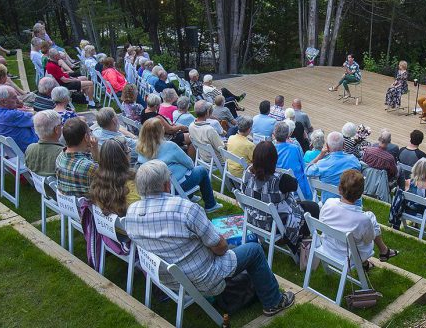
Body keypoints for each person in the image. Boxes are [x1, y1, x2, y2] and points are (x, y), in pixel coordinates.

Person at [125, 160, 295, 317]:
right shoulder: (185, 209)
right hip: (203, 278)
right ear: (167, 184)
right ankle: (274, 302)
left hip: (166, 277)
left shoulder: (131, 212)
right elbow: (220, 248)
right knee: (254, 249)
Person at [242, 141, 320, 255]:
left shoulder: (247, 173)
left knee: (302, 205)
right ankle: (300, 243)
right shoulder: (280, 180)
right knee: (312, 207)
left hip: (254, 218)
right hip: (275, 224)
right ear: (274, 160)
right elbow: (295, 185)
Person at [136, 118, 222, 213]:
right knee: (201, 170)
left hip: (155, 189)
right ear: (160, 131)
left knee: (185, 172)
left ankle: (190, 196)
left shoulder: (140, 148)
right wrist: (183, 168)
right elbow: (190, 164)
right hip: (172, 188)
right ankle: (211, 205)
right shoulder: (169, 146)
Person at [319, 169, 397, 270]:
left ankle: (378, 255)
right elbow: (368, 240)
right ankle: (383, 251)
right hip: (349, 257)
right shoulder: (363, 219)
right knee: (370, 217)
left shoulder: (329, 203)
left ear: (339, 189)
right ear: (361, 194)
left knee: (367, 219)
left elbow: (322, 221)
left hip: (327, 248)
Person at [305, 131, 361, 205]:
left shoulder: (322, 163)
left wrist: (320, 156)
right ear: (344, 145)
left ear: (327, 147)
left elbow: (307, 171)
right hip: (351, 203)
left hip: (328, 203)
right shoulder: (354, 161)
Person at [89, 138, 140, 216]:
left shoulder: (96, 180)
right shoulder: (131, 182)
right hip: (127, 226)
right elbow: (136, 210)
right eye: (129, 151)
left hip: (106, 226)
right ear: (124, 157)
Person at [55, 117, 99, 197]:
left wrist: (93, 150)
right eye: (90, 132)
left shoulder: (60, 156)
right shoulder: (89, 167)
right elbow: (107, 179)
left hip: (69, 205)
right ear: (86, 137)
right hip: (87, 207)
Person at [272, 122, 313, 200]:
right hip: (297, 189)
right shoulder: (294, 148)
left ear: (274, 134)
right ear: (288, 135)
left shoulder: (271, 148)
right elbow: (303, 166)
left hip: (279, 187)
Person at [0, 86, 38, 152]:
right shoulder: (11, 115)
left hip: (18, 151)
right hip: (33, 148)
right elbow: (39, 119)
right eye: (14, 97)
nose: (18, 100)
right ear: (4, 102)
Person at [25, 110, 64, 177]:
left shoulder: (30, 148)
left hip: (38, 185)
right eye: (61, 124)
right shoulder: (63, 153)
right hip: (56, 186)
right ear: (57, 129)